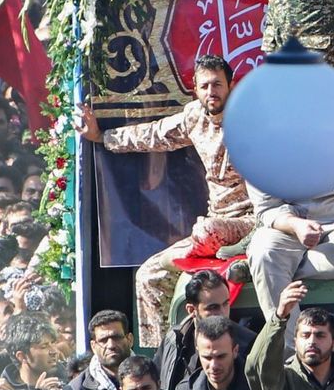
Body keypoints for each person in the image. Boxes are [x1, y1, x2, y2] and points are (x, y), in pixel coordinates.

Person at [82, 55, 253, 348]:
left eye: (217, 85)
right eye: (205, 86)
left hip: (252, 222)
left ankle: (239, 253)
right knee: (148, 275)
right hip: (213, 227)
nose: (211, 92)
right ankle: (160, 358)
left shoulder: (254, 117)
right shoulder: (193, 117)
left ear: (231, 86)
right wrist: (103, 137)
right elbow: (153, 134)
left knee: (207, 230)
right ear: (195, 91)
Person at [243, 114, 334, 320]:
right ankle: (289, 348)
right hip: (287, 229)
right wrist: (296, 225)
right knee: (263, 252)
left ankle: (277, 272)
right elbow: (267, 209)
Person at [56, 309, 132, 390]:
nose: (111, 345)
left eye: (117, 337)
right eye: (103, 340)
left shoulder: (152, 375)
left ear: (129, 339)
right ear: (93, 346)